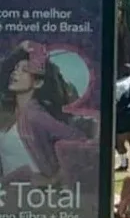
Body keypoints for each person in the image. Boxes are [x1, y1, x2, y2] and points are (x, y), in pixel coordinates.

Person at [0, 40, 88, 183]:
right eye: (16, 68)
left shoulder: (36, 116)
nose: (15, 72)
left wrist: (54, 179)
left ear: (38, 83)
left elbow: (79, 139)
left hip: (35, 196)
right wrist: (19, 50)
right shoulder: (8, 112)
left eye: (25, 70)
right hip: (10, 196)